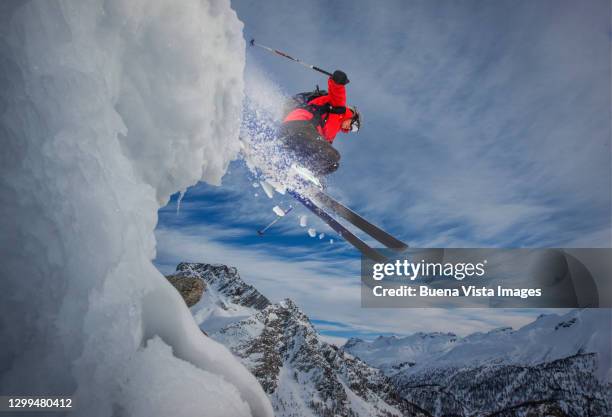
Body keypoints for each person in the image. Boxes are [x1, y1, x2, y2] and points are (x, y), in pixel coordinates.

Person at [278, 70, 360, 175]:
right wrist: (338, 81)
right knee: (333, 155)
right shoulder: (339, 109)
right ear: (353, 116)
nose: (350, 129)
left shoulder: (331, 133)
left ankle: (302, 178)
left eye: (353, 130)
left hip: (292, 136)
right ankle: (307, 172)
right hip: (300, 124)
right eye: (353, 126)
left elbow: (323, 148)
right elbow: (337, 93)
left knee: (332, 164)